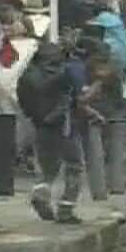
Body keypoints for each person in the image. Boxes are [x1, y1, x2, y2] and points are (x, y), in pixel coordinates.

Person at [16, 39, 83, 223]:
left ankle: (40, 194)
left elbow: (21, 98)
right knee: (74, 165)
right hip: (64, 124)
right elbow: (75, 96)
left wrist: (34, 116)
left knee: (47, 169)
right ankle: (66, 209)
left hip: (40, 124)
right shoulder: (66, 72)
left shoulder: (28, 74)